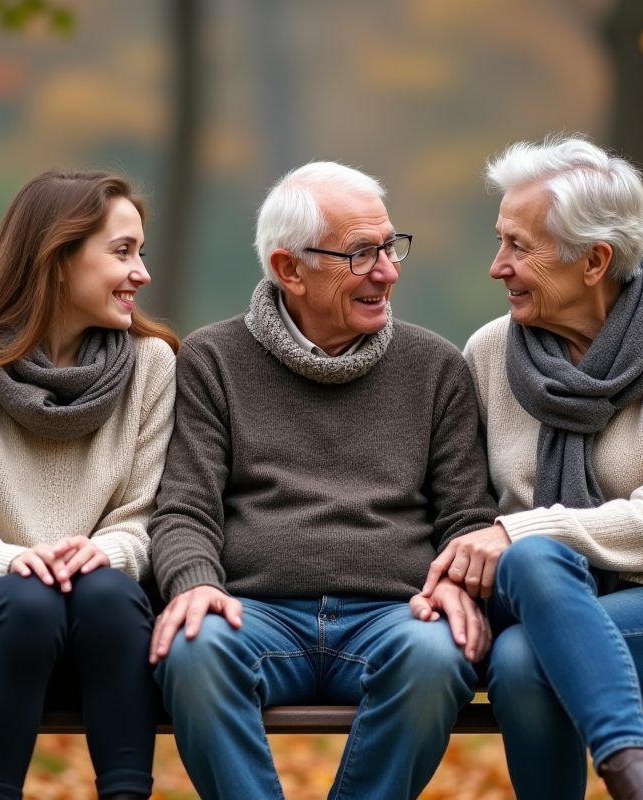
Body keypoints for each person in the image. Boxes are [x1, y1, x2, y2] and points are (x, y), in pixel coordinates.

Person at [421, 135, 643, 800]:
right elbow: (458, 500)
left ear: (593, 260)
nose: (497, 266)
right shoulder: (488, 354)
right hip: (531, 609)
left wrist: (522, 532)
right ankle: (641, 778)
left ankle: (630, 771)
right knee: (525, 621)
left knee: (526, 591)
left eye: (519, 246)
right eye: (500, 241)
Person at [148, 161, 499, 800]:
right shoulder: (213, 359)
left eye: (391, 247)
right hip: (253, 614)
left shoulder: (436, 368)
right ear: (289, 270)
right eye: (361, 254)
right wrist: (193, 584)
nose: (387, 271)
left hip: (393, 616)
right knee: (193, 650)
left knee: (435, 657)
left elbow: (465, 515)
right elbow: (184, 510)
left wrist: (456, 583)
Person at [0, 170, 178, 800]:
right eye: (122, 252)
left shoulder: (153, 367)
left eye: (141, 251)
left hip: (102, 637)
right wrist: (21, 562)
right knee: (30, 602)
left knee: (104, 593)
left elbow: (145, 515)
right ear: (56, 259)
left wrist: (103, 552)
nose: (142, 273)